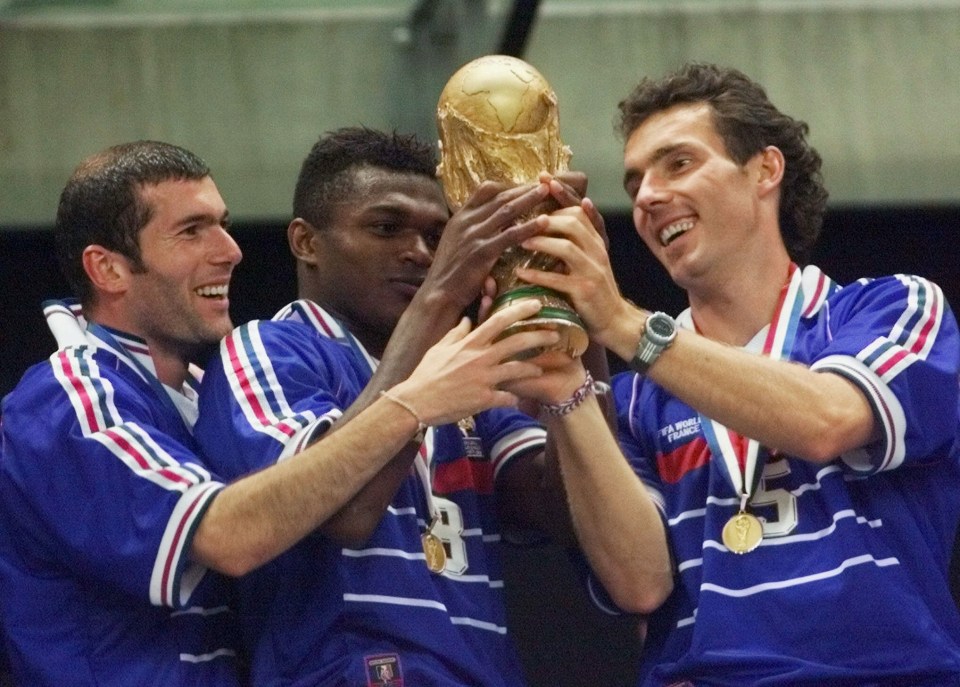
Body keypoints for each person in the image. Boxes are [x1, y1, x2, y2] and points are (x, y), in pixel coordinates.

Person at [0, 140, 553, 686]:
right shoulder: (69, 398)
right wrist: (413, 401)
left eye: (223, 223)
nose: (231, 250)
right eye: (192, 231)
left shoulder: (190, 392)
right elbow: (230, 537)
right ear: (109, 269)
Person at [513, 62, 960, 685]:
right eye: (635, 180)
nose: (645, 196)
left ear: (765, 170)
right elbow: (640, 586)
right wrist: (567, 386)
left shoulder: (893, 309)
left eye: (678, 164)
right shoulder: (636, 398)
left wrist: (620, 322)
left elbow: (826, 420)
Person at [192, 126, 612, 687]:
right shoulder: (269, 349)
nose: (418, 252)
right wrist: (441, 294)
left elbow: (571, 511)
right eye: (387, 228)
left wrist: (586, 318)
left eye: (437, 236)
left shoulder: (461, 368)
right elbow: (344, 512)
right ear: (306, 242)